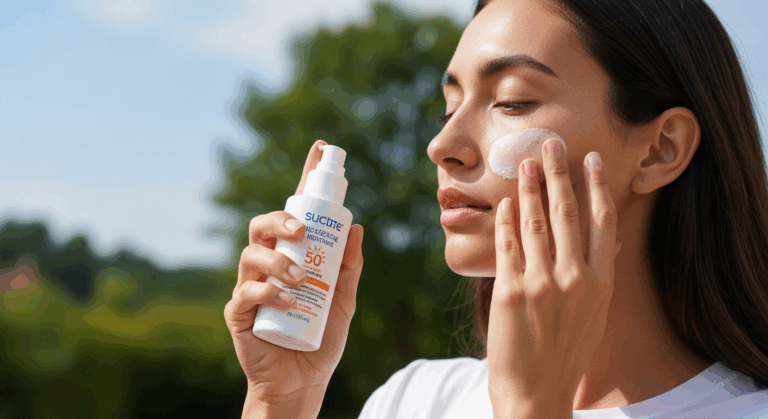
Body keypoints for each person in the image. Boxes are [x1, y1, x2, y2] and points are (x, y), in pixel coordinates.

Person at [224, 0, 768, 417]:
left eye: (512, 101)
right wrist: (281, 399)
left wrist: (533, 407)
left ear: (660, 148)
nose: (442, 146)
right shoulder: (417, 400)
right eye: (448, 107)